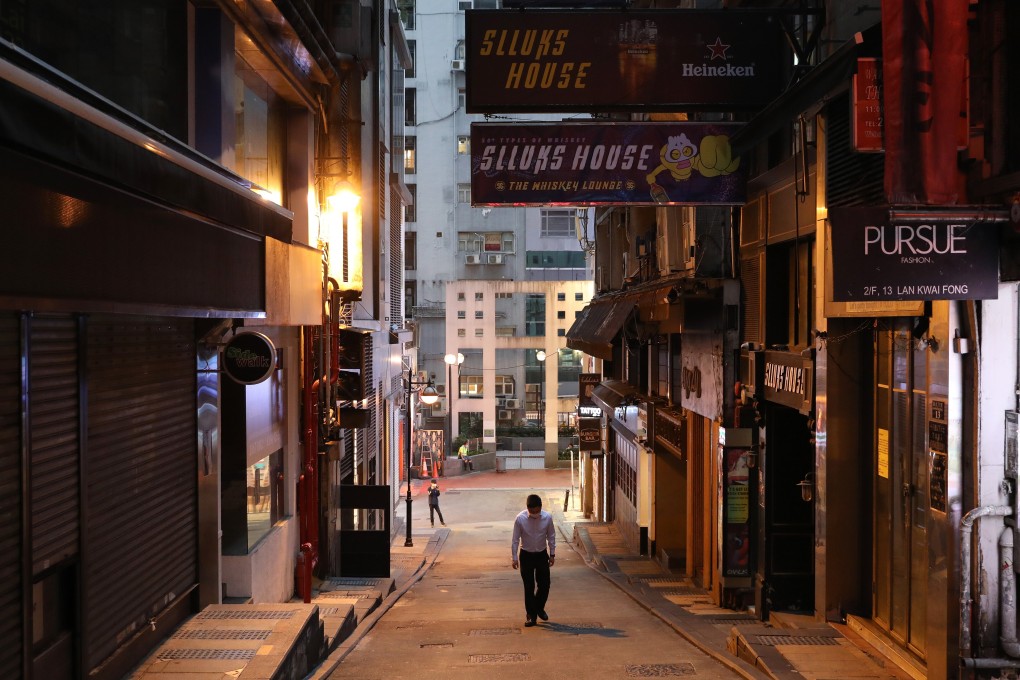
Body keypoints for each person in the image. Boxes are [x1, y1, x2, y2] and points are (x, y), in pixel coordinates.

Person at [511, 493, 556, 627]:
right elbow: (515, 539)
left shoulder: (547, 518)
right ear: (528, 508)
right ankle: (531, 615)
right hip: (526, 555)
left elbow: (551, 536)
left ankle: (539, 608)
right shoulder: (520, 519)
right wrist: (514, 558)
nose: (534, 514)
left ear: (540, 507)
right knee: (529, 586)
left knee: (545, 584)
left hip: (541, 554)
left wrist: (552, 554)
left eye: (537, 511)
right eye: (532, 511)